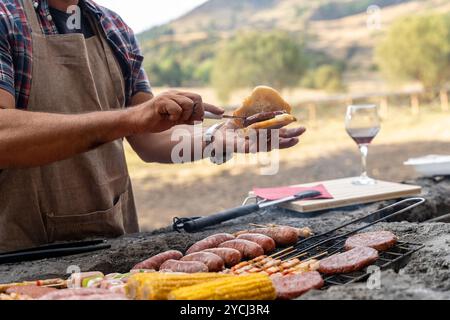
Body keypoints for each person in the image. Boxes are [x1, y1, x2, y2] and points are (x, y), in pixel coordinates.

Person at [0, 0, 306, 252]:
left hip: (110, 245)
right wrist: (130, 118)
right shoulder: (6, 17)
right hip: (19, 250)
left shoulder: (113, 28)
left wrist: (217, 136)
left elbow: (149, 139)